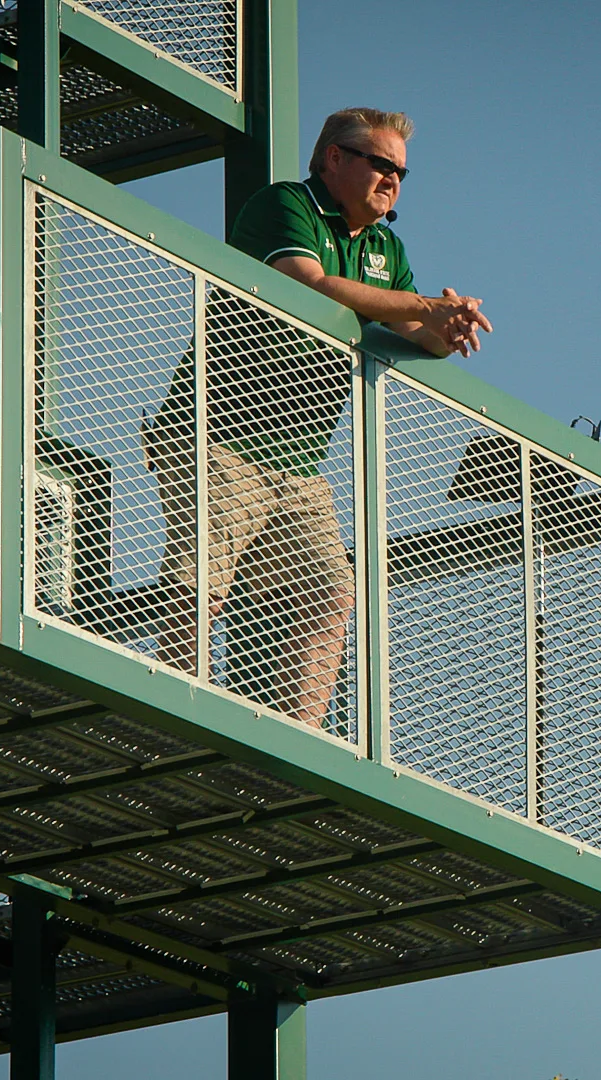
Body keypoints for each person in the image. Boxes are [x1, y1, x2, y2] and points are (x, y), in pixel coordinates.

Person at [150, 107, 489, 728]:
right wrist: (421, 305)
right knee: (199, 589)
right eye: (382, 165)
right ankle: (171, 720)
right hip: (215, 439)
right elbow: (307, 283)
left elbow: (417, 331)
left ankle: (298, 738)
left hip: (299, 469)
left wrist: (448, 324)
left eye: (402, 174)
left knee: (329, 592)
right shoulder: (286, 204)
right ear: (335, 158)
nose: (393, 181)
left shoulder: (387, 246)